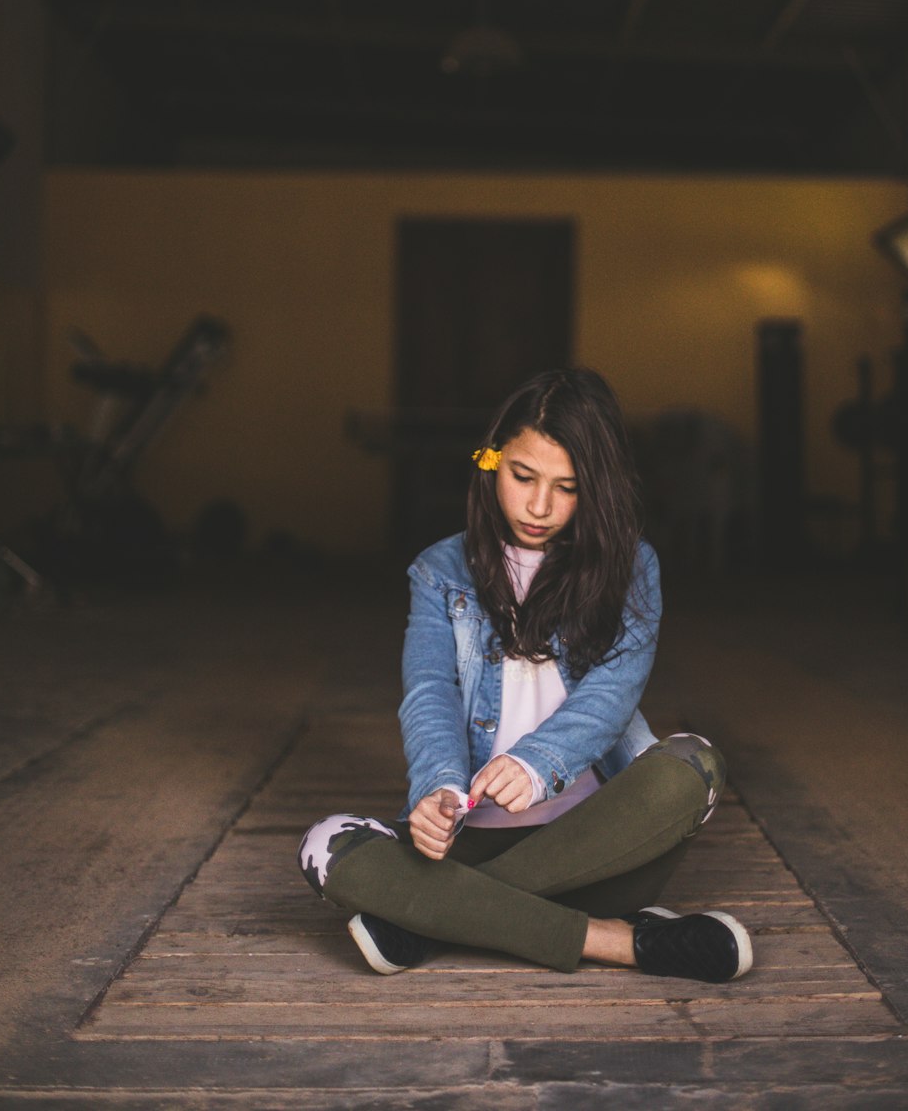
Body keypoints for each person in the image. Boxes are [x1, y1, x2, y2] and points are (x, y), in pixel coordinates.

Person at [298, 368, 752, 984]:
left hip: (600, 849)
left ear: (597, 489)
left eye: (568, 488)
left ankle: (431, 917)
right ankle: (620, 941)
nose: (540, 507)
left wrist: (538, 763)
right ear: (491, 464)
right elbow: (429, 691)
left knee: (694, 764)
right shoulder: (439, 569)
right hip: (465, 845)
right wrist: (436, 790)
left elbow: (613, 694)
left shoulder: (631, 567)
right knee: (325, 844)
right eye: (523, 477)